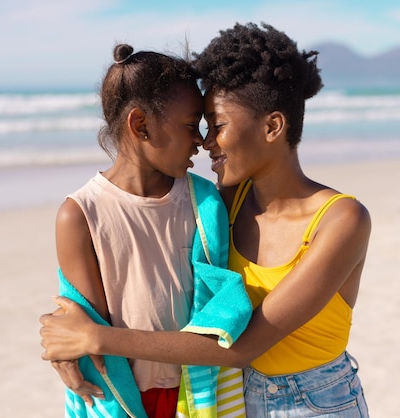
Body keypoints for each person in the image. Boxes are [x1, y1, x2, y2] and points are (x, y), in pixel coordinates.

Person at [41, 22, 371, 417]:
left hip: (314, 403)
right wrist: (64, 333)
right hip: (232, 400)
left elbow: (244, 346)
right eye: (200, 126)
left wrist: (95, 338)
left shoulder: (342, 220)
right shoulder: (223, 203)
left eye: (217, 126)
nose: (206, 141)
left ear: (272, 126)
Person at [48, 43, 252, 418]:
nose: (200, 140)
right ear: (140, 124)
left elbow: (219, 297)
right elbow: (89, 332)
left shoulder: (203, 201)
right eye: (191, 125)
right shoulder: (80, 214)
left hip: (193, 390)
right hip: (125, 397)